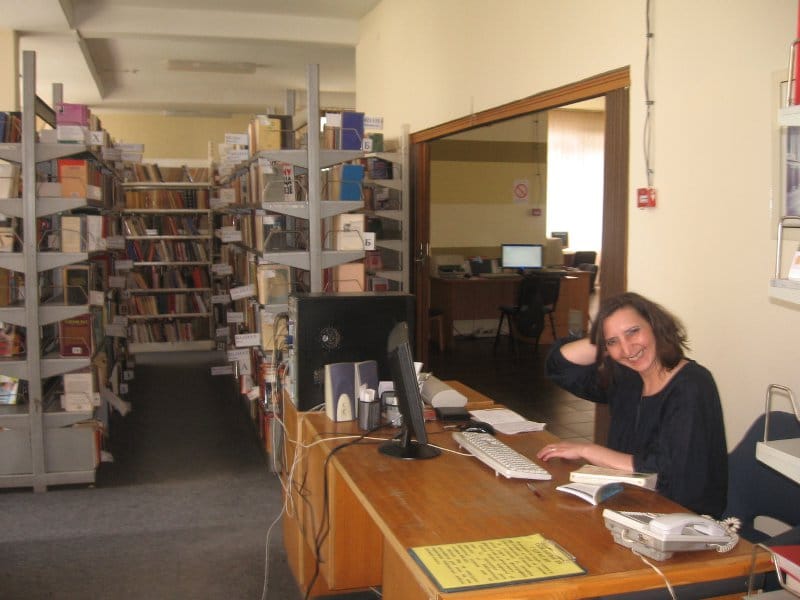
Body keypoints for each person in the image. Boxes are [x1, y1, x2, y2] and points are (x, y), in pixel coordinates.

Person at [536, 292, 727, 517]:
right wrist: (604, 342)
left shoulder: (692, 385)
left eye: (633, 332)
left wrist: (589, 451)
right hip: (628, 501)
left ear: (655, 326)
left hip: (680, 517)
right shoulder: (629, 377)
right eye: (613, 342)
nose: (627, 350)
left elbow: (666, 470)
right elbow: (559, 366)